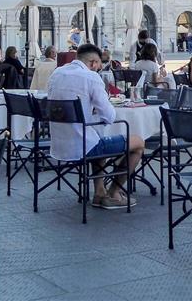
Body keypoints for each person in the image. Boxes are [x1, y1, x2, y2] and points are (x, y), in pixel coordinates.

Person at [46, 43, 144, 209]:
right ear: (92, 63)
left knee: (96, 137)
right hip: (83, 145)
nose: (99, 67)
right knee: (138, 142)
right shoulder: (91, 77)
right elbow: (110, 116)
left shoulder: (57, 73)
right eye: (98, 64)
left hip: (59, 143)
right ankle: (114, 192)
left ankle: (99, 193)